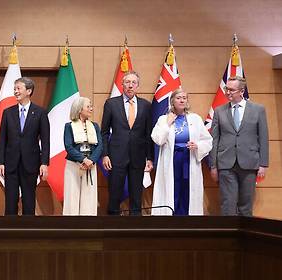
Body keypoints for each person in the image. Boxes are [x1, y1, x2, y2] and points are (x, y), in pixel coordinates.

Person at [209, 76, 268, 216]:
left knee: (246, 205)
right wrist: (213, 165)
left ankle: (244, 236)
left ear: (241, 91)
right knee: (227, 203)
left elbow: (263, 137)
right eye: (226, 89)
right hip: (225, 163)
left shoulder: (258, 110)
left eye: (231, 90)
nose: (227, 92)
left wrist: (263, 164)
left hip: (249, 162)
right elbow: (214, 139)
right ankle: (227, 236)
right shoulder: (219, 111)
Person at [151, 88, 212, 215]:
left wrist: (197, 146)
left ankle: (186, 219)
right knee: (172, 188)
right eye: (179, 98)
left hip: (189, 159)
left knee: (187, 188)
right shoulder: (163, 119)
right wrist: (167, 124)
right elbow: (158, 139)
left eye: (184, 98)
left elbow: (207, 140)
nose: (182, 100)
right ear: (172, 101)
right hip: (171, 160)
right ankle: (170, 220)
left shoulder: (195, 119)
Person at [100, 71, 154, 216]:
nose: (130, 85)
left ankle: (135, 230)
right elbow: (104, 132)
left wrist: (149, 158)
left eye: (133, 83)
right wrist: (105, 155)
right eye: (127, 82)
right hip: (116, 156)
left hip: (138, 157)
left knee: (136, 195)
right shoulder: (111, 104)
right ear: (122, 85)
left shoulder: (146, 106)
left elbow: (148, 134)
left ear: (138, 86)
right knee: (114, 194)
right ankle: (111, 228)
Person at [0, 77, 50, 215]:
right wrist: (0, 161)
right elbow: (2, 138)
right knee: (10, 200)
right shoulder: (7, 112)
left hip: (31, 163)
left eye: (18, 88)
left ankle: (29, 232)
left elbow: (45, 140)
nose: (15, 91)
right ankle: (9, 232)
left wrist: (44, 163)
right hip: (11, 163)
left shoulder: (40, 112)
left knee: (29, 200)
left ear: (29, 91)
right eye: (14, 88)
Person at [63, 97, 102, 216]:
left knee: (89, 196)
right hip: (74, 165)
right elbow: (68, 146)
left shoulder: (94, 126)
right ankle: (71, 227)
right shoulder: (69, 126)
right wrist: (83, 159)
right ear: (80, 109)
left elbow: (100, 145)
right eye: (88, 106)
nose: (91, 108)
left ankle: (88, 225)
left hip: (90, 165)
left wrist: (91, 160)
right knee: (72, 196)